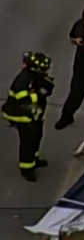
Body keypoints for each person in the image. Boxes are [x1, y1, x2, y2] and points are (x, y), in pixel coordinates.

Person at [2, 52, 55, 182]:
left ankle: (34, 158)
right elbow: (22, 99)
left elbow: (47, 88)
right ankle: (27, 168)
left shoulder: (35, 76)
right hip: (22, 117)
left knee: (37, 137)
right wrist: (38, 94)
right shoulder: (23, 79)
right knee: (28, 143)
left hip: (33, 116)